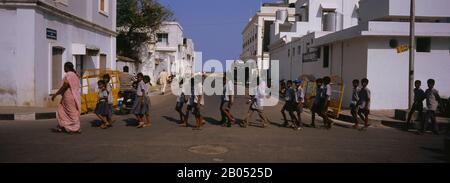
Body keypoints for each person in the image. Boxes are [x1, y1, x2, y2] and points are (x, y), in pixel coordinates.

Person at [51, 62, 82, 134]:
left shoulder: (69, 75)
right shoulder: (75, 75)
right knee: (62, 110)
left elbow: (65, 86)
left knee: (71, 112)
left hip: (69, 97)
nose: (64, 69)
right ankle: (63, 126)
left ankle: (74, 128)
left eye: (64, 67)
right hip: (74, 96)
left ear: (67, 67)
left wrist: (56, 94)